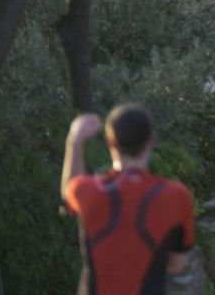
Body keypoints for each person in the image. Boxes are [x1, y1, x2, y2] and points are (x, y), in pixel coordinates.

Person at [62, 104, 195, 294]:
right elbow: (177, 265)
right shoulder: (176, 195)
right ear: (152, 140)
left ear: (110, 142)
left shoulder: (88, 190)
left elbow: (70, 190)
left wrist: (75, 141)